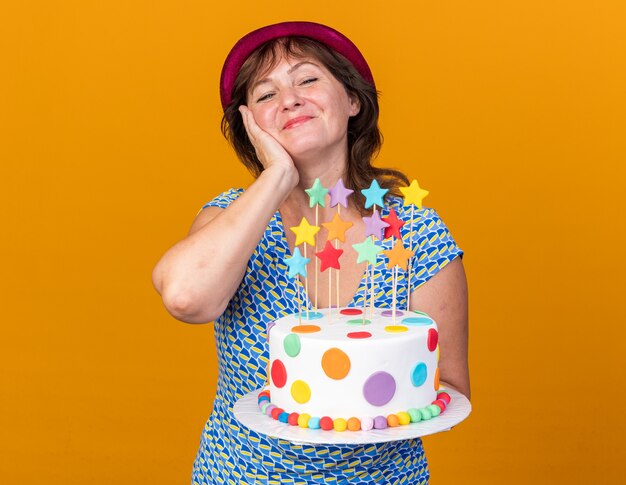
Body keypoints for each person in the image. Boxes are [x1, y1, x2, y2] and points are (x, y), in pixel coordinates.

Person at [152, 21, 469, 484]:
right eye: (265, 95)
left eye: (307, 79)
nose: (289, 100)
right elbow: (184, 297)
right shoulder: (230, 220)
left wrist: (351, 404)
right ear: (249, 126)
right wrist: (278, 176)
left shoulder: (416, 232)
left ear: (353, 100)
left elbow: (450, 388)